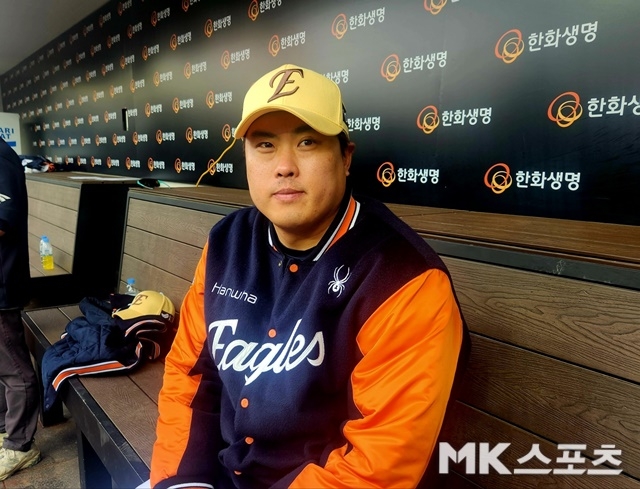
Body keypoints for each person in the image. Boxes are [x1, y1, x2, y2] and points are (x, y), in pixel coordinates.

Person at [150, 64, 469, 489]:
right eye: (265, 144)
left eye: (307, 142)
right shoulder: (227, 242)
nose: (284, 166)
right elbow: (191, 374)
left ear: (345, 157)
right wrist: (182, 480)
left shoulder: (403, 277)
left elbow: (379, 463)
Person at [0, 137, 41, 480]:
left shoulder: (1, 157)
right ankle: (5, 429)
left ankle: (20, 446)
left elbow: (4, 220)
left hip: (2, 282)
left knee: (15, 369)